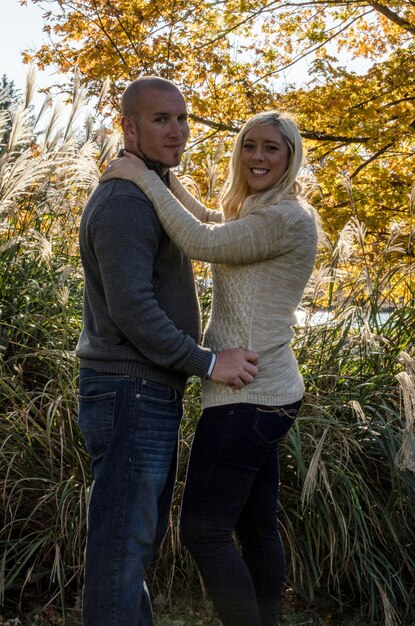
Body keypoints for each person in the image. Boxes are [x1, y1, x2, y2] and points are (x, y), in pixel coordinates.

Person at [101, 110, 318, 626]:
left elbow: (200, 241)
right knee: (256, 526)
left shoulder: (283, 218)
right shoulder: (261, 210)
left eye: (272, 148)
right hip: (269, 392)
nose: (258, 157)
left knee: (204, 532)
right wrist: (163, 175)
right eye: (250, 145)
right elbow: (209, 219)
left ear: (290, 158)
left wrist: (142, 180)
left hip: (247, 395)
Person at [75, 75, 259, 626]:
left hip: (146, 390)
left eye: (183, 118)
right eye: (161, 119)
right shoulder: (125, 201)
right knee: (120, 551)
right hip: (129, 389)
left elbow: (211, 227)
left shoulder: (148, 187)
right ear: (128, 127)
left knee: (133, 547)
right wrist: (208, 361)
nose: (178, 130)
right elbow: (132, 310)